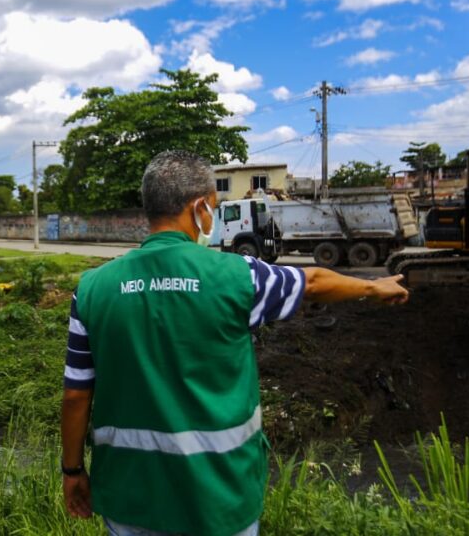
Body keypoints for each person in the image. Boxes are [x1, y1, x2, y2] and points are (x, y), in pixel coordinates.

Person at [60, 150, 409, 536]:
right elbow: (311, 282)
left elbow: (76, 394)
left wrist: (72, 470)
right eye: (214, 206)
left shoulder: (91, 289)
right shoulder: (238, 276)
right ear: (199, 208)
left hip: (130, 496)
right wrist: (373, 287)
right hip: (220, 498)